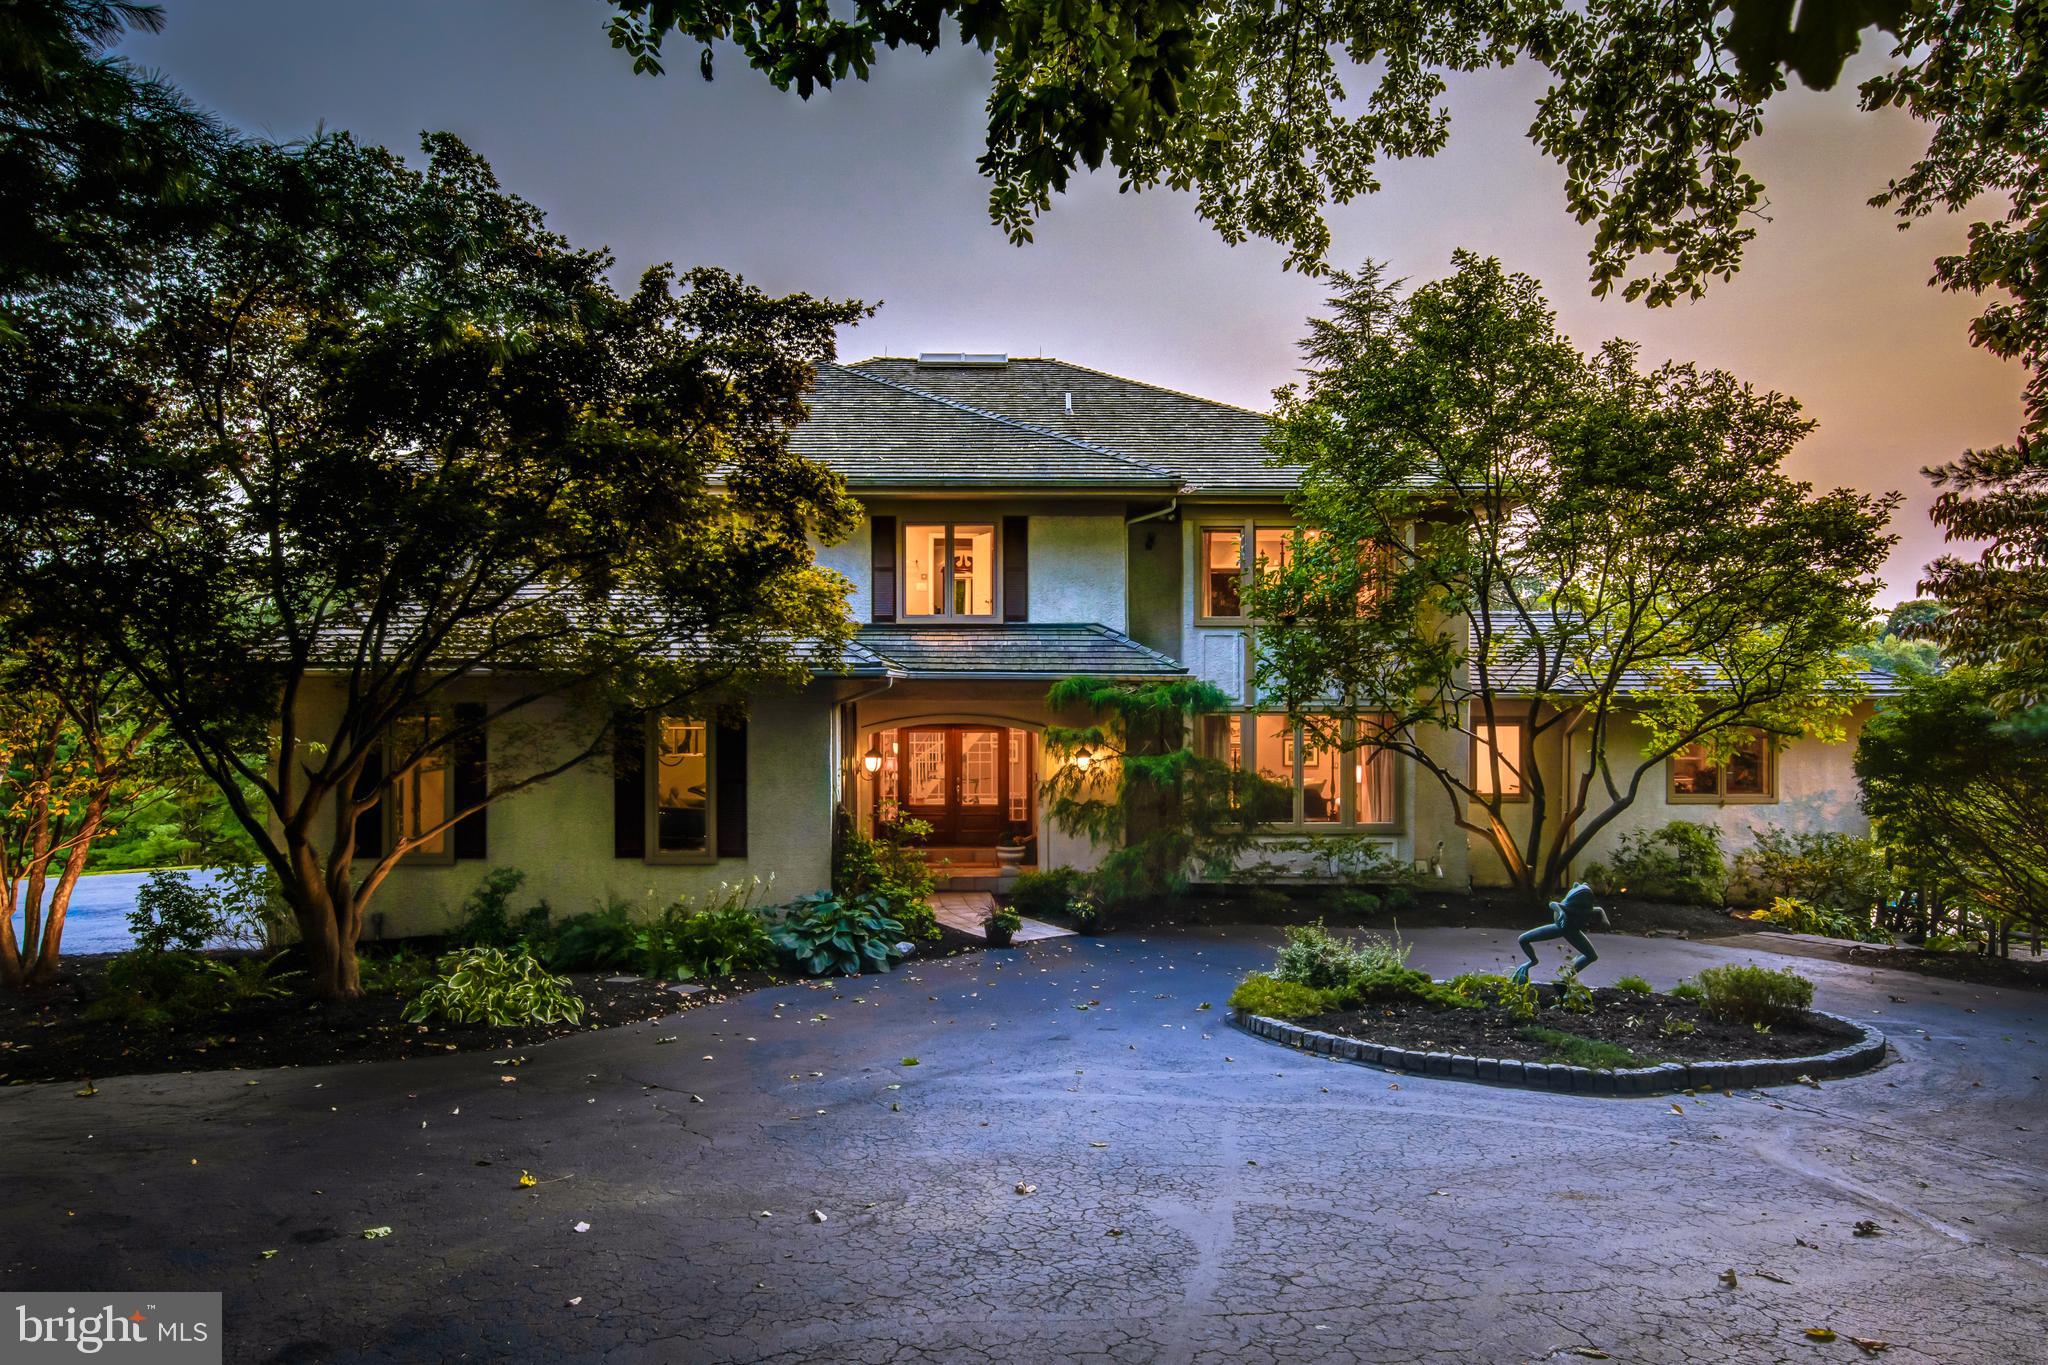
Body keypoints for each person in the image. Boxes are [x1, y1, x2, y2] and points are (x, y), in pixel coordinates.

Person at [1509, 882, 1611, 984]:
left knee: (1592, 956)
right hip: (1558, 928)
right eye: (1576, 886)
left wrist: (1605, 921)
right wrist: (1561, 911)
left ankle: (1566, 978)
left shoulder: (1588, 910)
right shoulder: (1566, 906)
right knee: (1523, 939)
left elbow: (1600, 910)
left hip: (1573, 932)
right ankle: (1532, 961)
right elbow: (1553, 904)